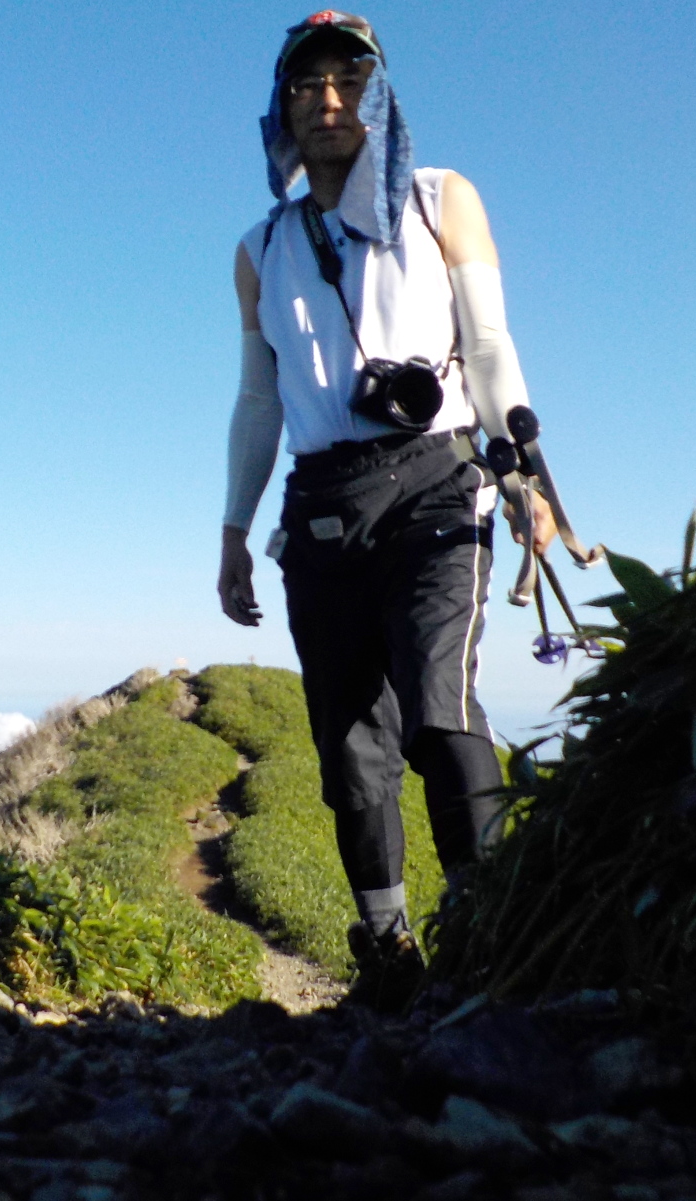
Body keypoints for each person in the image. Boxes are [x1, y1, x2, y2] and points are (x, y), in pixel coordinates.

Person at [216, 11, 558, 1009]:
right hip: (322, 503)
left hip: (440, 480)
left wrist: (528, 473)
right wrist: (234, 528)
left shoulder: (440, 197)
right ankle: (387, 945)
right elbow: (259, 399)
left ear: (378, 94)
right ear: (282, 106)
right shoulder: (260, 247)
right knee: (349, 740)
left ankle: (488, 935)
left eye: (350, 81)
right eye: (308, 84)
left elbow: (487, 344)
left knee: (439, 707)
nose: (329, 99)